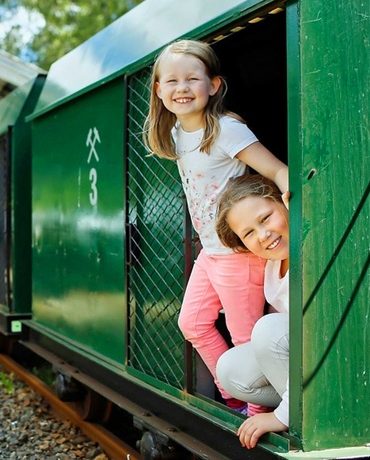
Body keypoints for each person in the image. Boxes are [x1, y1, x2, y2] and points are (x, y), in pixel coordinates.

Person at [143, 39, 288, 415]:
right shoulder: (177, 134)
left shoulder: (225, 130)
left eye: (193, 78)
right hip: (212, 252)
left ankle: (259, 414)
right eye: (171, 81)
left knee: (246, 339)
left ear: (214, 85)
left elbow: (276, 170)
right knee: (191, 322)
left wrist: (291, 198)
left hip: (238, 254)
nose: (182, 88)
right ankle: (236, 400)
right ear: (158, 91)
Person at [214, 174, 291, 449]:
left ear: (283, 201)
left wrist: (280, 416)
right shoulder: (273, 265)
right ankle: (299, 404)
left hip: (331, 358)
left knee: (268, 329)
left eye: (265, 218)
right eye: (248, 233)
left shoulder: (311, 252)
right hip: (303, 364)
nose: (263, 235)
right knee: (230, 369)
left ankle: (301, 414)